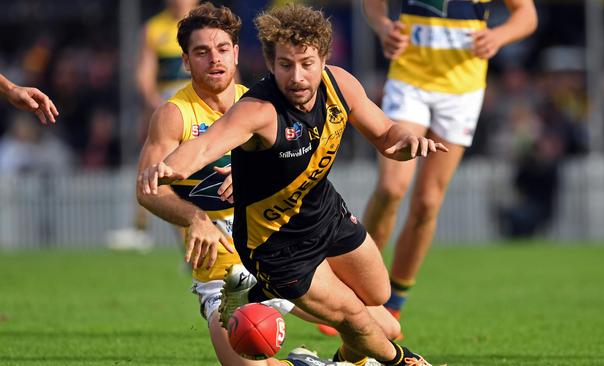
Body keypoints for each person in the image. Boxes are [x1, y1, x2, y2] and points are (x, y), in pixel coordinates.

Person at [139, 4, 448, 365]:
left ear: (237, 53)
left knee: (381, 318)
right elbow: (197, 152)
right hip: (235, 264)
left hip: (301, 223)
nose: (215, 60)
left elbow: (383, 132)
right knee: (275, 344)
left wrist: (405, 139)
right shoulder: (181, 113)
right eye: (202, 52)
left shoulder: (255, 97)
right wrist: (189, 208)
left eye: (222, 49)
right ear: (186, 61)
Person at [360, 0, 538, 330]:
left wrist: (498, 37)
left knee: (427, 202)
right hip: (409, 81)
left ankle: (394, 302)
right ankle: (356, 287)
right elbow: (372, 4)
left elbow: (527, 15)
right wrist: (384, 26)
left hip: (462, 90)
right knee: (391, 188)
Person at [108, 0, 199, 251]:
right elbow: (144, 74)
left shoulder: (208, 21)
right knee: (159, 171)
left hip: (203, 111)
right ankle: (143, 229)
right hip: (171, 112)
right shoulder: (154, 29)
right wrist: (155, 104)